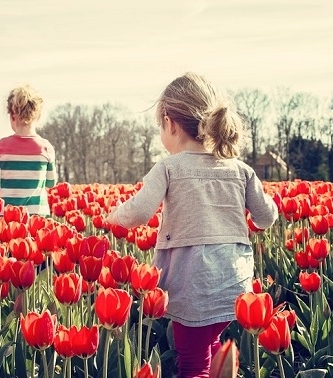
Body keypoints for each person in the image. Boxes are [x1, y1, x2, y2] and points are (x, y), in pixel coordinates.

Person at [106, 72, 278, 378]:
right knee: (210, 344)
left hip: (192, 282)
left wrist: (115, 215)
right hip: (233, 282)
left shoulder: (169, 167)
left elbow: (140, 213)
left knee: (193, 364)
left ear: (170, 122)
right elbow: (265, 218)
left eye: (161, 126)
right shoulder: (240, 169)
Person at [0, 84, 56, 217]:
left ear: (12, 116)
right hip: (37, 214)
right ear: (38, 116)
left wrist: (0, 188)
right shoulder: (46, 147)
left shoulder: (1, 146)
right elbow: (51, 182)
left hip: (8, 214)